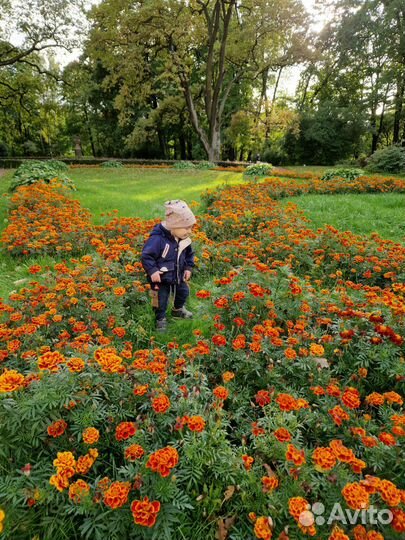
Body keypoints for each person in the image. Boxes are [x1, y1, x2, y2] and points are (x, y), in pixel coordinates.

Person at [141, 200, 196, 332]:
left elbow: (189, 254)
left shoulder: (183, 239)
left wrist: (188, 267)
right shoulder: (158, 239)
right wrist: (152, 271)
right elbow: (146, 256)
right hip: (161, 278)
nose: (189, 231)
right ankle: (160, 319)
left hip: (178, 274)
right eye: (186, 228)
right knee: (161, 299)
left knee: (183, 292)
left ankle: (177, 309)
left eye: (191, 227)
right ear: (173, 226)